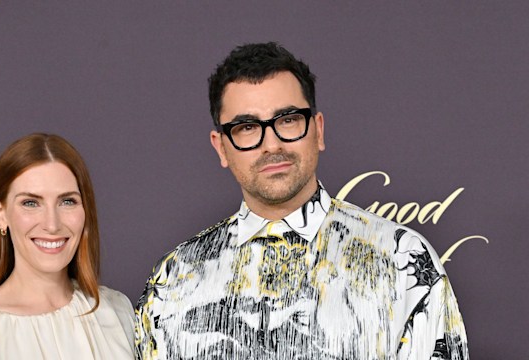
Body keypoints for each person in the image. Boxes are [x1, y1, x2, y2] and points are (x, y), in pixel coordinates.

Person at [135, 42, 469, 359]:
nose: (271, 144)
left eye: (288, 120)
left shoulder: (401, 259)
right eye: (248, 127)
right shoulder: (176, 277)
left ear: (318, 130)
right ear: (221, 147)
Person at [0, 133, 135, 360]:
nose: (52, 224)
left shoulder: (118, 313)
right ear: (0, 214)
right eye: (30, 203)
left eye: (67, 201)